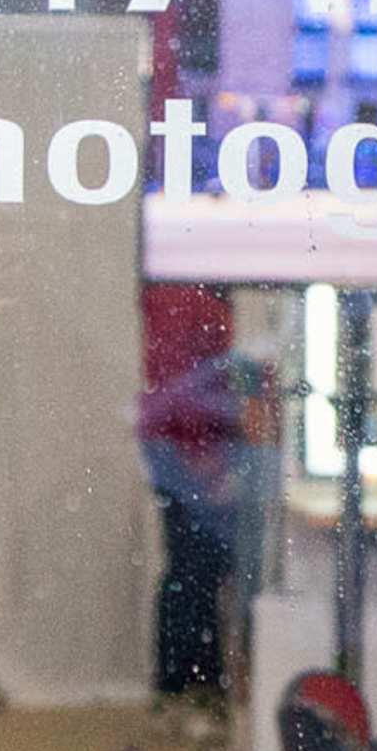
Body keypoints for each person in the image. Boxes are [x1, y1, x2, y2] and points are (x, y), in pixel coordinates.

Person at [137, 280, 247, 711]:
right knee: (195, 569)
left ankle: (189, 683)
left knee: (195, 567)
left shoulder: (179, 297)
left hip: (181, 446)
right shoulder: (193, 303)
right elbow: (181, 384)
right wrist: (204, 459)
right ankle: (185, 686)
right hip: (189, 449)